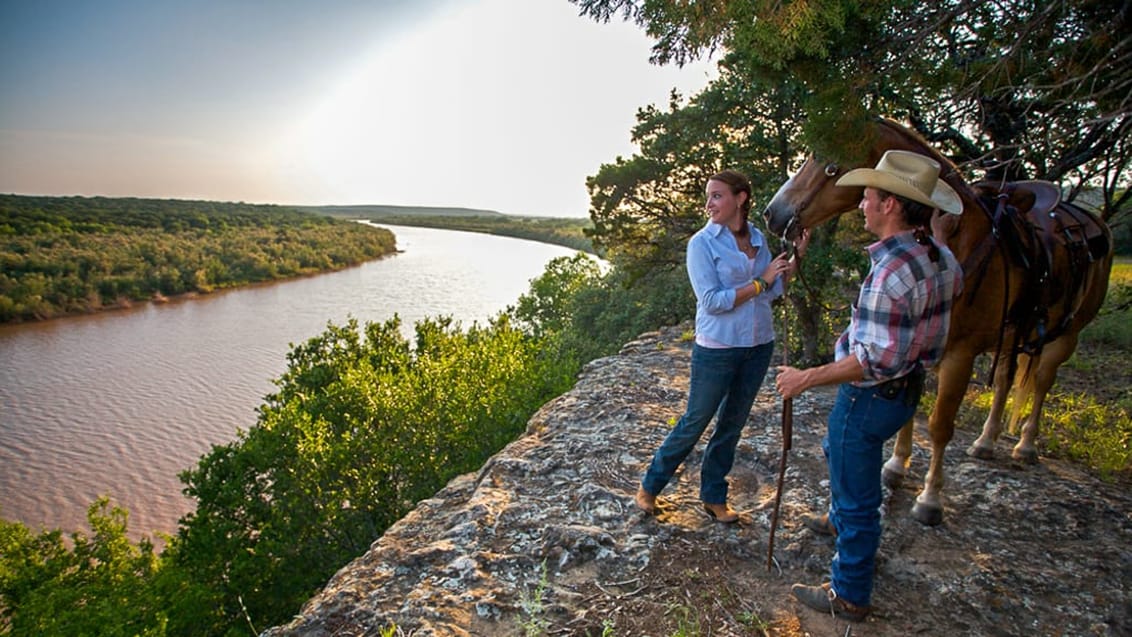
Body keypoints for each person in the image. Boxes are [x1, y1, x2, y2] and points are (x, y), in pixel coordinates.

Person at [775, 150, 964, 621]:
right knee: (842, 456)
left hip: (870, 395)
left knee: (860, 500)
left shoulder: (890, 272)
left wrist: (805, 378)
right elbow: (947, 290)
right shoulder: (940, 257)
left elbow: (873, 359)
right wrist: (936, 238)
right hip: (905, 393)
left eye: (869, 196)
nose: (860, 204)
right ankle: (838, 519)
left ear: (891, 206)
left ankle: (849, 594)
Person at [635, 169, 807, 523]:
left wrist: (794, 260)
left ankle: (714, 496)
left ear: (740, 198)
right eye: (708, 196)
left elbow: (776, 291)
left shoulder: (758, 238)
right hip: (717, 348)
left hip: (758, 345)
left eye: (717, 195)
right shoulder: (702, 243)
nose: (709, 203)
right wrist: (761, 282)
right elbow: (712, 301)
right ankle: (650, 487)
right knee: (696, 419)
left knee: (733, 424)